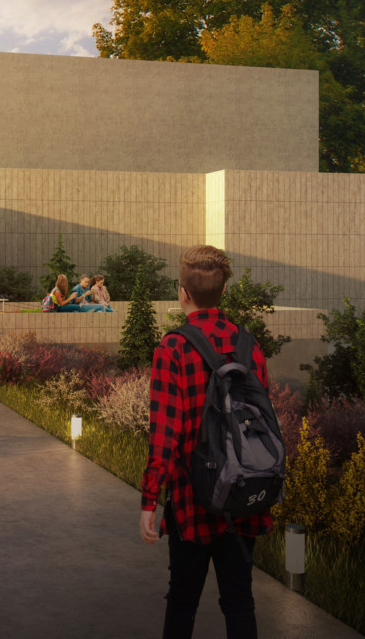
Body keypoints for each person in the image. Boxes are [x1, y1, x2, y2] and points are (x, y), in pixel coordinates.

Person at [140, 245, 270, 639]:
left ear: (183, 293)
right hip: (243, 493)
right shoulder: (251, 345)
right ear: (224, 292)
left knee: (182, 601)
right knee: (239, 601)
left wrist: (150, 501)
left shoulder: (173, 348)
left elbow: (165, 432)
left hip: (190, 498)